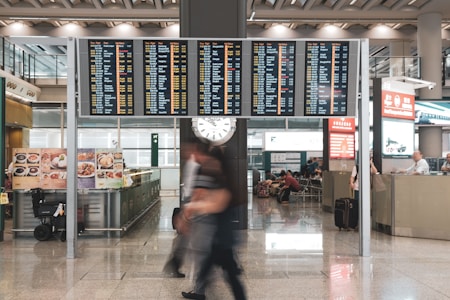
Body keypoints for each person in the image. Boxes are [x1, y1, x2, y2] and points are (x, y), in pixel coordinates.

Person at [180, 145, 246, 300]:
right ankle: (199, 292)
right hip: (219, 237)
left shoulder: (223, 180)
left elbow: (217, 204)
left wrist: (191, 207)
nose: (206, 163)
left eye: (210, 160)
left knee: (226, 274)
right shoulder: (219, 178)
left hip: (221, 238)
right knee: (213, 270)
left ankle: (200, 292)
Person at [163, 139, 202, 278]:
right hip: (193, 201)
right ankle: (174, 263)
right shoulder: (195, 163)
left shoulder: (192, 163)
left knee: (186, 236)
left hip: (191, 201)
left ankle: (174, 263)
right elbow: (193, 186)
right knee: (187, 235)